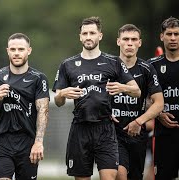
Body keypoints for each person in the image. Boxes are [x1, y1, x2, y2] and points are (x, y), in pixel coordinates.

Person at [52, 17, 141, 180]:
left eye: (92, 33)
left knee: (110, 176)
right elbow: (58, 101)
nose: (88, 37)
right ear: (80, 36)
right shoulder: (68, 64)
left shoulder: (113, 62)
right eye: (84, 33)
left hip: (105, 128)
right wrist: (62, 94)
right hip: (80, 128)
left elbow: (137, 91)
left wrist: (122, 87)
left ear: (100, 35)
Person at [0, 33, 49, 180]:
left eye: (21, 49)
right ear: (7, 51)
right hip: (2, 142)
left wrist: (38, 142)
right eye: (13, 49)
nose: (16, 53)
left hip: (27, 142)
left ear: (29, 50)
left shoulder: (38, 78)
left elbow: (43, 111)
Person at [111, 24, 164, 180]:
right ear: (118, 41)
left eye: (134, 39)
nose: (129, 43)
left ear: (139, 43)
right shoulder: (108, 67)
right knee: (119, 174)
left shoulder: (146, 69)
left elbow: (159, 103)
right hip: (113, 134)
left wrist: (138, 122)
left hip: (137, 135)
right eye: (125, 39)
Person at [147, 17, 179, 180]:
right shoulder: (151, 65)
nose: (173, 38)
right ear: (162, 37)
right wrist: (158, 113)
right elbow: (144, 99)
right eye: (169, 34)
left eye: (176, 34)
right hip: (163, 136)